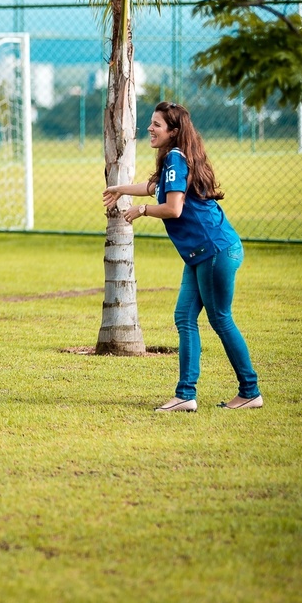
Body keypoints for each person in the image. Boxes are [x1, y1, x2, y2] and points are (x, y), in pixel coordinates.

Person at [103, 101, 262, 412]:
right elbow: (154, 187)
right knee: (185, 318)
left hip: (214, 250)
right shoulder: (176, 157)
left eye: (157, 125)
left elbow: (173, 208)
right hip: (203, 252)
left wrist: (143, 211)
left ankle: (250, 390)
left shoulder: (176, 157)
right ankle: (185, 395)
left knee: (220, 319)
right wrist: (120, 188)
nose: (150, 128)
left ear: (173, 131)